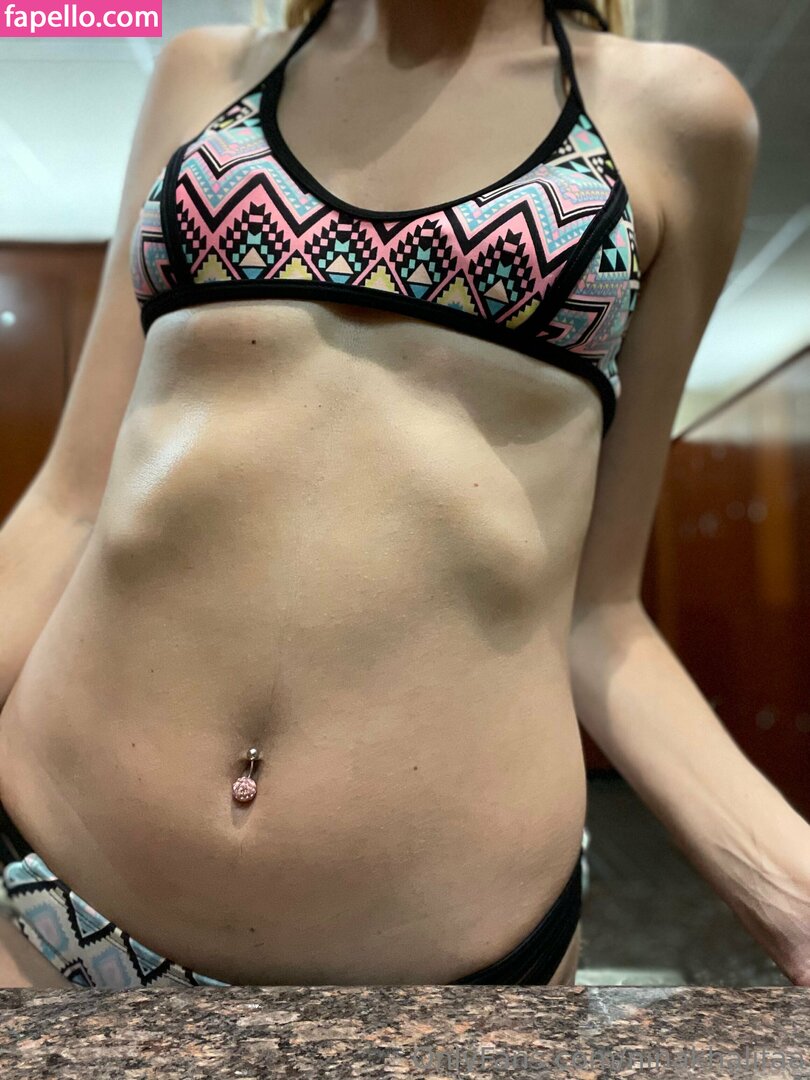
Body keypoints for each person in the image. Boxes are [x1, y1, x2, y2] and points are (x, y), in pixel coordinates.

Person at [1, 0, 808, 991]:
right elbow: (71, 506)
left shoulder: (676, 115)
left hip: (455, 972)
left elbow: (599, 616)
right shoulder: (204, 74)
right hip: (47, 904)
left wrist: (794, 896)